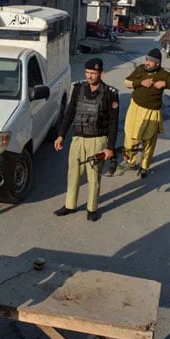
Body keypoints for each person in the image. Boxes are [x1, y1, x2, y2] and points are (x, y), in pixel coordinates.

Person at [53, 58, 119, 222]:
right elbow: (69, 113)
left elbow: (113, 123)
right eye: (87, 73)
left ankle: (92, 208)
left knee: (94, 176)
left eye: (93, 73)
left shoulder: (110, 94)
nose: (90, 76)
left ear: (101, 73)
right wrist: (61, 134)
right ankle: (70, 204)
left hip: (97, 140)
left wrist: (110, 148)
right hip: (78, 139)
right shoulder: (78, 89)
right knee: (73, 173)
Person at [118, 48, 170, 178]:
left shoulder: (163, 74)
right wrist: (140, 82)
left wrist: (165, 84)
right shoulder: (140, 69)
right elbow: (126, 82)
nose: (147, 62)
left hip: (152, 112)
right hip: (135, 109)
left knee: (149, 141)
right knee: (130, 136)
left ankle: (144, 166)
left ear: (158, 64)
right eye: (147, 59)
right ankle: (130, 161)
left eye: (151, 61)